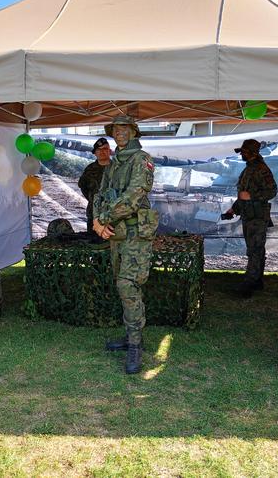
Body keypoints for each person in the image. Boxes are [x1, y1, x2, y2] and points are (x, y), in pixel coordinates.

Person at [93, 116, 159, 375]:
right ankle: (131, 336)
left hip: (134, 233)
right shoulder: (114, 161)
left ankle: (135, 344)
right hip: (116, 233)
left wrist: (104, 220)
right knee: (122, 285)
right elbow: (100, 193)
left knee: (127, 285)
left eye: (124, 129)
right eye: (115, 130)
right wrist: (96, 221)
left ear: (134, 131)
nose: (119, 133)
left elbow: (133, 198)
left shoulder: (140, 159)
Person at [222, 139, 277, 298]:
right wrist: (234, 209)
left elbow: (272, 191)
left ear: (252, 153)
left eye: (244, 152)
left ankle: (249, 284)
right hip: (249, 215)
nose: (241, 154)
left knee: (255, 250)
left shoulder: (261, 169)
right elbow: (243, 195)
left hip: (257, 216)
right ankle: (257, 280)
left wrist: (252, 196)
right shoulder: (249, 169)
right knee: (256, 249)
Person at [78, 138, 112, 232]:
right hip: (94, 214)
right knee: (93, 242)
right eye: (99, 150)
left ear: (110, 151)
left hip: (114, 214)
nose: (102, 152)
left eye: (105, 149)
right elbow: (83, 187)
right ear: (95, 153)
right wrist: (93, 199)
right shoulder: (89, 169)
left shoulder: (118, 168)